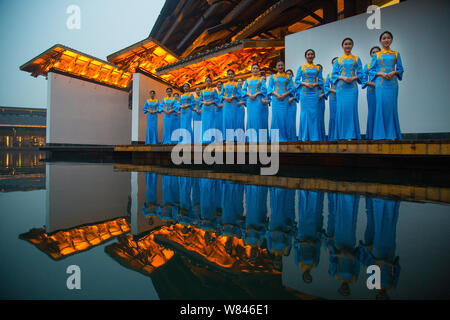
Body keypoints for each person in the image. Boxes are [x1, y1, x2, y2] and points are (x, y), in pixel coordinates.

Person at [369, 31, 404, 140]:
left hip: (392, 83)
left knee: (391, 107)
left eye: (388, 38)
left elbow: (400, 69)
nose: (386, 40)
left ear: (391, 40)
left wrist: (393, 72)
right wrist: (382, 74)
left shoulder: (396, 53)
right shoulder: (377, 55)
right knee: (381, 107)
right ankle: (380, 135)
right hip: (381, 83)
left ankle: (392, 134)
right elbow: (371, 70)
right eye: (384, 38)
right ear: (380, 41)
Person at [331, 38, 364, 140]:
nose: (348, 46)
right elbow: (334, 75)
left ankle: (351, 135)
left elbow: (361, 74)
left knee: (351, 110)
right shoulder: (338, 60)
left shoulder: (357, 59)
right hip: (342, 88)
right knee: (342, 110)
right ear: (342, 46)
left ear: (352, 45)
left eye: (349, 44)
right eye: (346, 44)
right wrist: (344, 78)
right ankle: (342, 135)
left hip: (352, 88)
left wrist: (353, 78)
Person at [295, 49, 324, 141]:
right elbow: (296, 80)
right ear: (305, 56)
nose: (310, 56)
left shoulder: (318, 68)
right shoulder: (302, 67)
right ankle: (304, 136)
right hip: (305, 92)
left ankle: (314, 137)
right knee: (304, 113)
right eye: (308, 54)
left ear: (314, 56)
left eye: (312, 54)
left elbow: (320, 81)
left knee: (314, 113)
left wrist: (315, 84)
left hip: (314, 92)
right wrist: (305, 84)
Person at [267, 60, 295, 142]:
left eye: (282, 65)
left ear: (284, 66)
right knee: (275, 118)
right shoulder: (273, 76)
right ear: (276, 67)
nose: (280, 67)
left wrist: (285, 94)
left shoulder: (288, 77)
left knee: (284, 118)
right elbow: (269, 88)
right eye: (278, 65)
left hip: (285, 99)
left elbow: (291, 88)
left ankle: (284, 138)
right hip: (276, 100)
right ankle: (274, 138)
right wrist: (276, 95)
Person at [242, 63, 269, 142]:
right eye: (254, 68)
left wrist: (256, 93)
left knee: (258, 118)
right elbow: (243, 90)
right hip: (250, 101)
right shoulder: (247, 80)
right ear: (251, 70)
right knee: (250, 118)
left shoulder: (261, 79)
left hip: (258, 101)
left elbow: (264, 90)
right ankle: (250, 138)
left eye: (257, 68)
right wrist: (249, 94)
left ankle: (259, 139)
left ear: (259, 70)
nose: (255, 70)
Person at [363, 46, 381, 140]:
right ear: (371, 54)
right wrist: (373, 84)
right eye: (373, 52)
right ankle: (372, 135)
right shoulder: (368, 66)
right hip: (372, 91)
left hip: (383, 90)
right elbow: (363, 80)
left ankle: (383, 134)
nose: (375, 54)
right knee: (373, 111)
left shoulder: (383, 65)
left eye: (377, 52)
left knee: (382, 110)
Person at [220, 70, 242, 142]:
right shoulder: (224, 85)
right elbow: (220, 95)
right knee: (226, 120)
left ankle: (234, 138)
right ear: (227, 75)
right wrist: (225, 98)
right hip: (226, 105)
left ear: (234, 75)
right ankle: (225, 138)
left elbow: (239, 94)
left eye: (232, 74)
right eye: (229, 74)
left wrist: (232, 97)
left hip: (233, 104)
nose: (230, 75)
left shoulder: (236, 84)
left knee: (233, 120)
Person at [200, 76, 220, 143]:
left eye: (209, 81)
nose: (208, 82)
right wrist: (204, 102)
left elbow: (217, 99)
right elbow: (200, 100)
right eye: (207, 81)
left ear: (211, 82)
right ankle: (205, 139)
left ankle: (212, 139)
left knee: (211, 123)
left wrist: (212, 102)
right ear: (205, 82)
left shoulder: (214, 90)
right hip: (204, 109)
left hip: (211, 109)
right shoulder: (202, 91)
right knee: (205, 123)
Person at [324, 58, 338, 141]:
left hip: (343, 97)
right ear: (332, 64)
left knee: (342, 115)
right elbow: (326, 87)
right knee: (333, 115)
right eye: (334, 63)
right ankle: (333, 136)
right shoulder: (329, 75)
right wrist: (333, 90)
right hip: (333, 97)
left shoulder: (344, 74)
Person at [286, 69, 298, 141]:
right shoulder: (282, 84)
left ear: (292, 75)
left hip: (292, 104)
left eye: (290, 74)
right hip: (284, 104)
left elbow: (298, 94)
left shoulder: (295, 84)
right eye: (287, 74)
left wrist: (293, 98)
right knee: (284, 121)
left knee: (291, 121)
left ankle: (292, 138)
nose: (289, 75)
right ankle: (285, 137)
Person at [317, 64, 327, 140]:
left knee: (320, 119)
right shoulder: (272, 78)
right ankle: (275, 143)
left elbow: (326, 90)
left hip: (320, 101)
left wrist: (322, 95)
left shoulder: (324, 80)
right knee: (275, 122)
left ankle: (320, 137)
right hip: (277, 102)